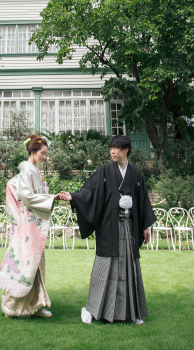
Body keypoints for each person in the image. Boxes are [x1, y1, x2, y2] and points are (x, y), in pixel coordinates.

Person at [57, 135, 156, 324]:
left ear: (126, 150)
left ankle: (130, 312)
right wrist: (73, 197)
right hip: (110, 226)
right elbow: (90, 192)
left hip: (129, 226)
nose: (113, 151)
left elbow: (143, 201)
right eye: (111, 148)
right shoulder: (104, 170)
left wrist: (145, 226)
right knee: (104, 267)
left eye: (117, 148)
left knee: (129, 267)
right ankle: (94, 310)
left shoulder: (135, 174)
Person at [0, 134, 64, 319]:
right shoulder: (27, 171)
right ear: (32, 152)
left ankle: (35, 304)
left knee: (34, 265)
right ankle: (12, 307)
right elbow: (26, 196)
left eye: (46, 154)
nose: (45, 157)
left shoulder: (31, 171)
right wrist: (51, 198)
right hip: (27, 226)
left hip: (31, 225)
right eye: (42, 153)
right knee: (25, 265)